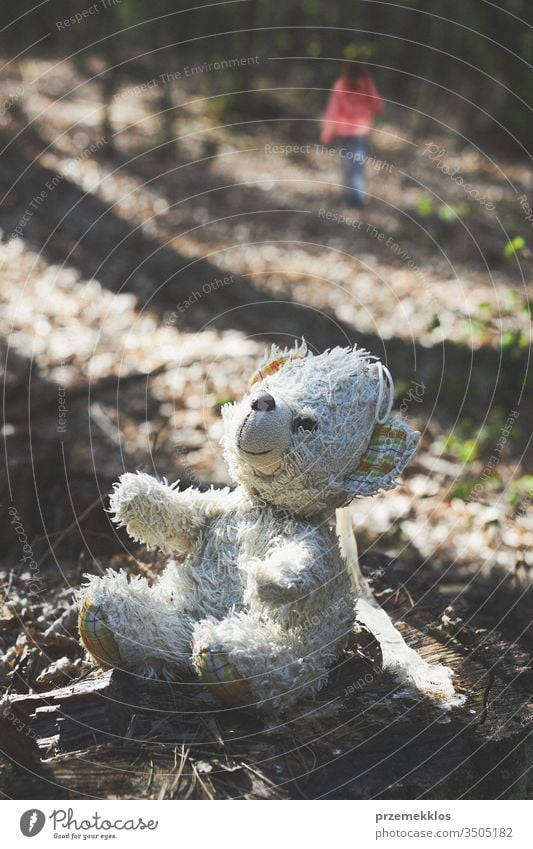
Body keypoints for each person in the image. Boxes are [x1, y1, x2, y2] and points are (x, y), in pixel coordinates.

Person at [320, 62, 383, 207]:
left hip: (345, 132)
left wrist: (327, 133)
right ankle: (357, 200)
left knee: (347, 165)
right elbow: (377, 105)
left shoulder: (340, 85)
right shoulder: (367, 84)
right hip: (360, 131)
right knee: (358, 165)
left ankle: (349, 198)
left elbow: (333, 111)